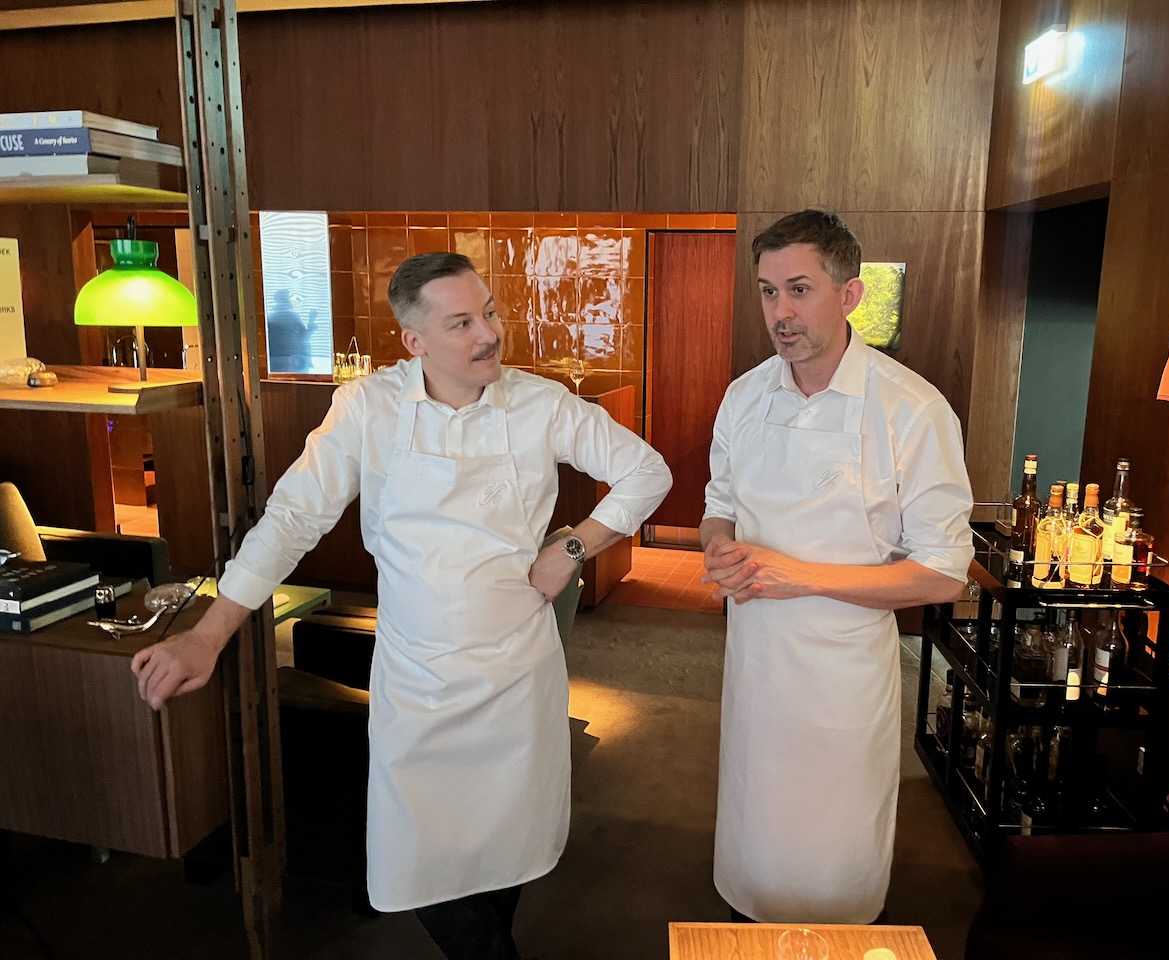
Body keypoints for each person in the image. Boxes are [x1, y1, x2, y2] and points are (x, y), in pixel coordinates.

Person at [132, 251, 672, 960]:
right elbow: (292, 520)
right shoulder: (369, 408)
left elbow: (646, 472)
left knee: (502, 855)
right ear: (414, 340)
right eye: (461, 323)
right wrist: (207, 636)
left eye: (489, 313)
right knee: (422, 867)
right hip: (418, 682)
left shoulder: (541, 404)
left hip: (516, 677)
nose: (489, 334)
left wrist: (574, 545)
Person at [700, 209, 974, 924]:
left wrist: (801, 576)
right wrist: (718, 543)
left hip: (843, 680)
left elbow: (944, 573)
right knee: (754, 842)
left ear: (849, 294)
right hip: (755, 666)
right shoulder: (745, 395)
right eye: (768, 292)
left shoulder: (911, 409)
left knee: (833, 866)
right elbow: (719, 502)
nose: (780, 313)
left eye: (799, 290)